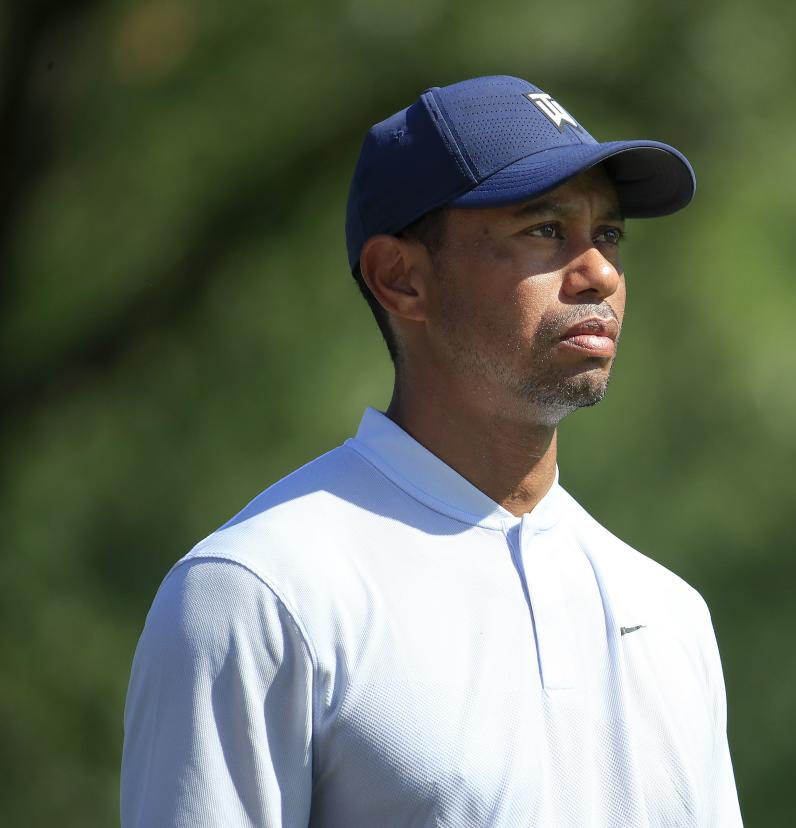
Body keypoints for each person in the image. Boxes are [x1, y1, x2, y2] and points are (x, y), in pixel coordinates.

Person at [120, 74, 743, 827]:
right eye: (544, 230)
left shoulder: (670, 616)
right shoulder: (258, 593)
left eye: (607, 235)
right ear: (401, 278)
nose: (601, 274)